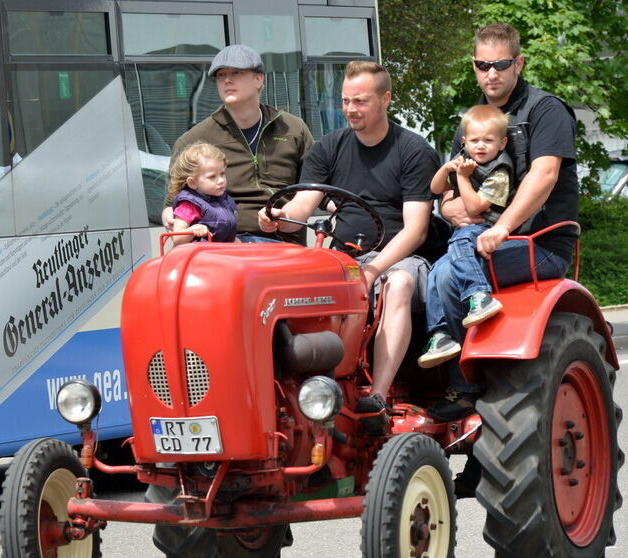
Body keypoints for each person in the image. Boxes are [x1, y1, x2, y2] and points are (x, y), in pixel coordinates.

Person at [257, 60, 440, 433]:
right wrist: (276, 217)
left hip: (400, 258)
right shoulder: (328, 148)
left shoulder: (412, 150)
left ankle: (378, 395)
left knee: (399, 284)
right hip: (344, 256)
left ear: (386, 99)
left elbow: (416, 230)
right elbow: (303, 207)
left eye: (361, 101)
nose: (351, 110)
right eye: (345, 101)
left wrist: (372, 271)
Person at [428, 23, 579, 428]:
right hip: (483, 237)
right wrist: (449, 207)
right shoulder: (475, 120)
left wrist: (502, 228)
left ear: (518, 63)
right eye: (482, 64)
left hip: (540, 243)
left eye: (500, 64)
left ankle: (466, 387)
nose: (490, 73)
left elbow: (543, 176)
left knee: (446, 274)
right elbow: (452, 178)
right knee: (414, 279)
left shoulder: (546, 111)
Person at [162, 45, 314, 244]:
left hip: (285, 243)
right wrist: (170, 216)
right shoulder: (193, 140)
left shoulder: (294, 129)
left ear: (259, 79)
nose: (227, 80)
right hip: (224, 245)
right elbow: (171, 204)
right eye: (220, 75)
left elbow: (319, 188)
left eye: (236, 72)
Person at [418, 104, 513, 368]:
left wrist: (461, 177)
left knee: (459, 241)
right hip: (466, 230)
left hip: (486, 228)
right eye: (474, 140)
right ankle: (440, 333)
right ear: (464, 141)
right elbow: (435, 188)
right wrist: (448, 168)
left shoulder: (499, 171)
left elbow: (474, 208)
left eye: (488, 140)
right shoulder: (465, 164)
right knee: (436, 270)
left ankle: (479, 295)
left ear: (502, 143)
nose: (480, 146)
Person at [166, 142, 238, 244]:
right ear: (192, 183)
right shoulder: (189, 204)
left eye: (222, 174)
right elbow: (177, 239)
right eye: (212, 177)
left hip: (221, 255)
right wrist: (192, 230)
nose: (221, 180)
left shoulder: (225, 200)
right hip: (197, 256)